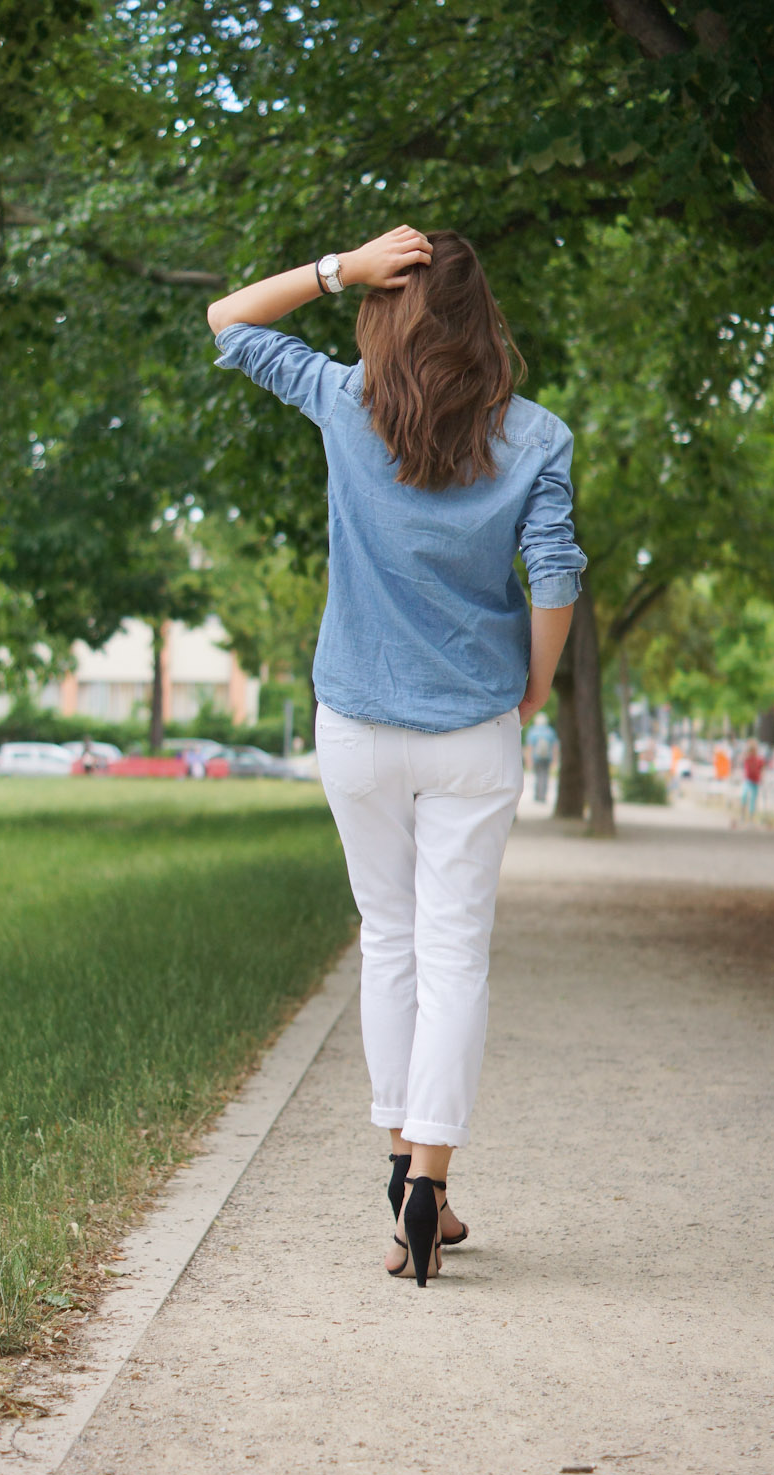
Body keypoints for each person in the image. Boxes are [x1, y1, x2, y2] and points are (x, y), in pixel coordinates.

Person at [208, 225, 586, 1286]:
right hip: (472, 729)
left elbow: (227, 320)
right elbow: (553, 575)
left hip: (357, 726)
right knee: (454, 953)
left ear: (387, 312)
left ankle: (399, 1180)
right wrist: (536, 684)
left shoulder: (342, 403)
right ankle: (430, 1182)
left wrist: (338, 271)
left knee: (390, 942)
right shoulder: (538, 438)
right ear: (486, 326)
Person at [525, 711, 558, 802]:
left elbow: (529, 747)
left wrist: (529, 761)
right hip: (547, 757)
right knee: (545, 776)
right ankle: (543, 795)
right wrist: (555, 760)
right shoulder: (550, 731)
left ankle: (537, 795)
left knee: (538, 776)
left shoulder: (533, 731)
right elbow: (555, 747)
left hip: (536, 757)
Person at [740, 739, 766, 821]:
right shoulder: (747, 758)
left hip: (755, 781)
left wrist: (762, 777)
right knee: (744, 796)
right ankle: (743, 814)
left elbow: (762, 769)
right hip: (747, 780)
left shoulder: (759, 759)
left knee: (753, 799)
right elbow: (741, 759)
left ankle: (751, 816)